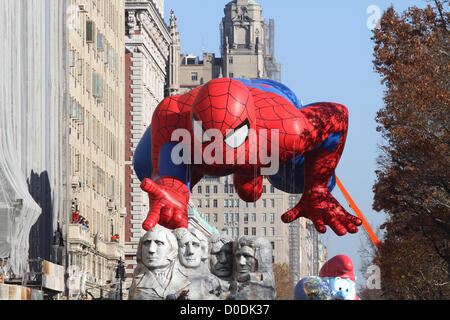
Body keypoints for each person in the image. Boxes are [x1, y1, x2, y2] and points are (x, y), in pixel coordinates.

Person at [128, 225, 189, 300]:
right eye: (147, 243)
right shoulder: (137, 280)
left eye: (159, 243)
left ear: (172, 249)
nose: (151, 250)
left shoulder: (186, 276)